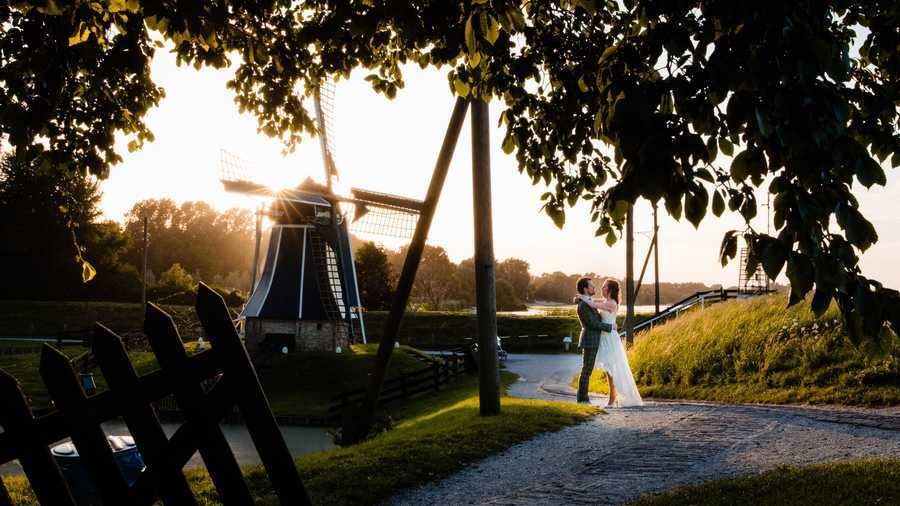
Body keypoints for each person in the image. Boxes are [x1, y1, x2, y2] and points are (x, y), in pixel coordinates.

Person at [576, 278, 643, 407]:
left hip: (610, 338)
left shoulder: (612, 303)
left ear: (610, 289)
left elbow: (593, 304)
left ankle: (614, 397)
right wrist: (580, 297)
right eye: (601, 286)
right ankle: (611, 397)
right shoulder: (605, 301)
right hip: (603, 338)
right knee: (607, 369)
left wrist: (581, 297)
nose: (601, 288)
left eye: (604, 286)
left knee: (614, 368)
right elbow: (591, 301)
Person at [574, 277, 613, 403]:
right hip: (590, 340)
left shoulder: (587, 301)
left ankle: (583, 398)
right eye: (591, 286)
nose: (594, 288)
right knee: (586, 370)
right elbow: (593, 323)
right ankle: (582, 399)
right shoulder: (583, 305)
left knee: (587, 370)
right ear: (585, 288)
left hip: (594, 339)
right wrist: (610, 327)